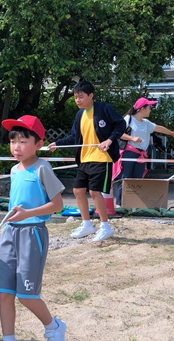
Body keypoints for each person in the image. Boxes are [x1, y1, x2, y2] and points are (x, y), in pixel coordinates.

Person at [0, 115, 67, 341]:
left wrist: (28, 214)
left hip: (33, 233)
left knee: (27, 295)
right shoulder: (14, 170)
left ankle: (54, 327)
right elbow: (14, 207)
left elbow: (58, 205)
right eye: (13, 141)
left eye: (23, 141)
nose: (16, 147)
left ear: (38, 144)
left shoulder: (43, 168)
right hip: (11, 233)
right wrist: (4, 233)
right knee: (5, 292)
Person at [48, 80, 126, 242]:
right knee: (77, 191)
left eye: (81, 96)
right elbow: (73, 137)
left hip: (101, 158)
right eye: (76, 97)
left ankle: (105, 227)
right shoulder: (80, 115)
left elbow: (121, 124)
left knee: (95, 192)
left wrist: (109, 140)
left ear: (91, 95)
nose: (77, 100)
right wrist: (58, 143)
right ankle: (87, 224)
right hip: (84, 159)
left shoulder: (104, 109)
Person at [115, 97, 174, 207]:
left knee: (138, 180)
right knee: (125, 178)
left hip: (141, 154)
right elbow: (119, 133)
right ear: (142, 109)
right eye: (149, 107)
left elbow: (159, 128)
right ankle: (119, 204)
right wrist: (132, 138)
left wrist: (172, 133)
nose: (150, 110)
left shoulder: (146, 123)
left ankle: (132, 204)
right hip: (129, 152)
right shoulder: (128, 119)